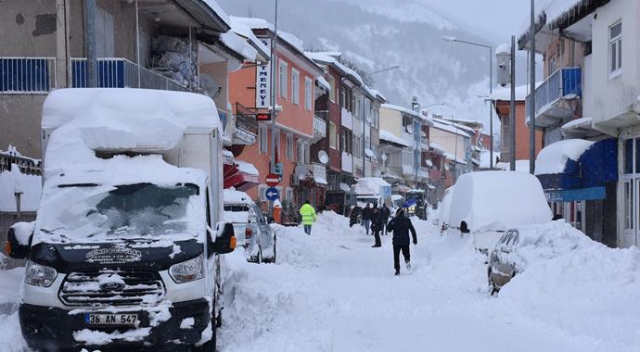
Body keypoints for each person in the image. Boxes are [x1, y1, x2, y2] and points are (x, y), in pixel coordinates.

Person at [387, 208, 418, 276]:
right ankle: (407, 261)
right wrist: (414, 239)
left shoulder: (394, 220)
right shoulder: (407, 220)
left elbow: (388, 229)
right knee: (406, 254)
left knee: (396, 256)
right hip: (405, 241)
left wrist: (391, 222)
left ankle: (397, 270)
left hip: (396, 241)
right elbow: (412, 230)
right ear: (403, 213)